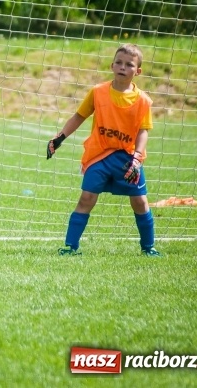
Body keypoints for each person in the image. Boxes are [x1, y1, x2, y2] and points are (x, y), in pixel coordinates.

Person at [46, 43, 160, 257]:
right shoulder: (98, 92)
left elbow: (143, 131)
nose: (122, 67)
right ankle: (70, 247)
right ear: (112, 65)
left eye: (129, 64)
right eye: (119, 62)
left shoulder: (143, 100)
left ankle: (148, 247)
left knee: (140, 201)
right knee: (86, 198)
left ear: (138, 71)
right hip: (100, 156)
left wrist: (137, 158)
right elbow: (79, 116)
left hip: (128, 159)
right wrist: (59, 137)